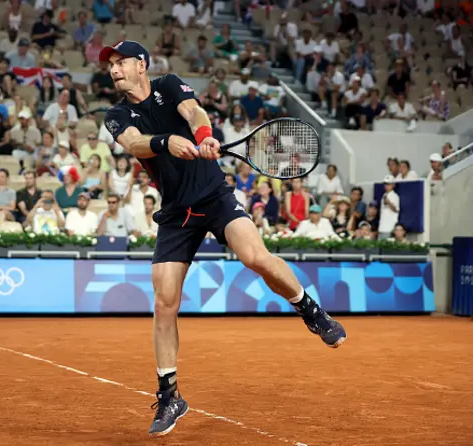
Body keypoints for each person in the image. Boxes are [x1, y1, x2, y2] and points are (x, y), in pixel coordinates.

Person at [99, 40, 347, 437]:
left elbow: (194, 111)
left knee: (255, 257)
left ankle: (310, 310)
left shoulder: (168, 85)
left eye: (121, 62)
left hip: (214, 196)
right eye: (110, 65)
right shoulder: (116, 113)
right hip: (177, 211)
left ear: (141, 65)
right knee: (164, 300)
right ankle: (170, 394)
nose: (114, 69)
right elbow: (132, 142)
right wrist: (165, 142)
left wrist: (204, 136)